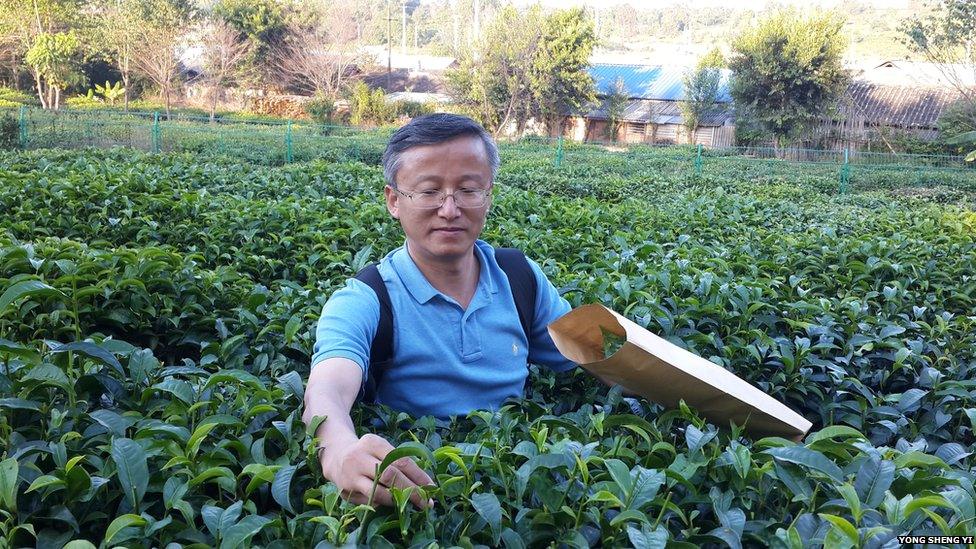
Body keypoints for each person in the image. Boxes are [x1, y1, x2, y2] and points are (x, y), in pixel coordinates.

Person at [302, 113, 582, 510]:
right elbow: (326, 388)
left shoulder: (520, 278)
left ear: (488, 195)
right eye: (429, 191)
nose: (450, 209)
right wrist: (338, 449)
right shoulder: (366, 298)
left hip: (522, 493)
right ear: (394, 201)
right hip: (420, 496)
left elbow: (594, 356)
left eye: (469, 190)